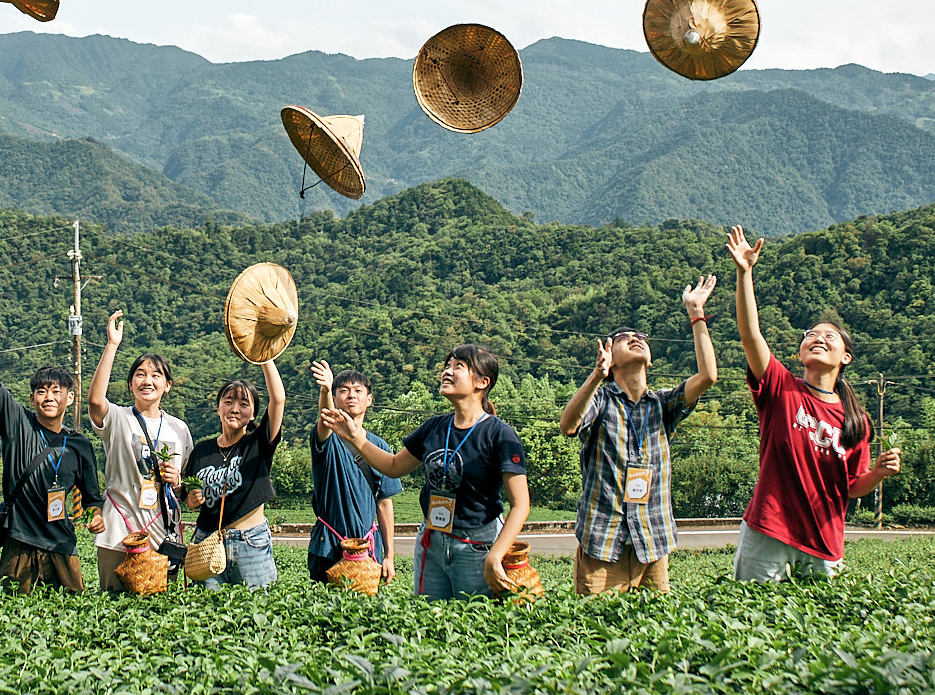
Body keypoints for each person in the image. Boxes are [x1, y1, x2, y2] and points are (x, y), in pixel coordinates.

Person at [725, 225, 901, 580]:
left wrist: (879, 473)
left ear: (846, 357)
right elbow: (750, 334)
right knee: (753, 622)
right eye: (811, 335)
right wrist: (745, 274)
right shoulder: (780, 387)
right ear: (801, 350)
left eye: (829, 336)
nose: (818, 338)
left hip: (824, 540)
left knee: (818, 628)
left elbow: (852, 485)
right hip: (769, 530)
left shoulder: (857, 420)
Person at [325, 344, 531, 601]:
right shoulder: (435, 427)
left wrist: (495, 555)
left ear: (482, 382)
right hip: (432, 540)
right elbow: (393, 466)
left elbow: (521, 504)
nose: (448, 371)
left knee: (473, 624)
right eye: (447, 365)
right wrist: (355, 439)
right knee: (430, 617)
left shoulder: (499, 435)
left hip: (477, 545)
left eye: (459, 367)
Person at [557, 277, 719, 596]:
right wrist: (596, 376)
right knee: (598, 635)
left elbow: (708, 376)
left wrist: (696, 313)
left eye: (641, 337)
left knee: (655, 637)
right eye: (624, 338)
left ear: (651, 358)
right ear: (610, 357)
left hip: (652, 541)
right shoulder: (601, 400)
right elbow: (569, 425)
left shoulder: (663, 404)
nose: (635, 338)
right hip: (603, 543)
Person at [0, 289, 103, 594]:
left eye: (57, 391)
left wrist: (98, 517)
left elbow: (94, 498)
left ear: (70, 398)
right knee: (16, 618)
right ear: (32, 398)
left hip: (61, 544)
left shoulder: (79, 444)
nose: (49, 397)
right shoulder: (18, 424)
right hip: (19, 543)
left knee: (69, 619)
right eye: (42, 391)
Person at [85, 310, 193, 593]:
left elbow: (187, 487)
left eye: (156, 376)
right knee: (112, 608)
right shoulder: (120, 419)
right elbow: (95, 401)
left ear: (167, 386)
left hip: (161, 534)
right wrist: (112, 345)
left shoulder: (179, 430)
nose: (147, 381)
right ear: (131, 383)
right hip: (118, 531)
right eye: (140, 375)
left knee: (158, 613)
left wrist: (177, 482)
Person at [182, 361, 287, 590]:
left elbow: (278, 400)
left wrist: (265, 357)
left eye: (243, 404)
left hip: (250, 542)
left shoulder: (258, 444)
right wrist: (191, 500)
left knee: (257, 612)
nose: (235, 409)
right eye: (228, 402)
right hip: (207, 542)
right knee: (207, 615)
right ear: (218, 408)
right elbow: (189, 497)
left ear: (253, 415)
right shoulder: (201, 451)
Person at [306, 361, 399, 585]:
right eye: (343, 391)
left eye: (358, 391)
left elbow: (384, 503)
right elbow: (326, 417)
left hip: (367, 548)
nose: (351, 396)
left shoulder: (380, 447)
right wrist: (325, 389)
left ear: (369, 399)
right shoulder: (327, 439)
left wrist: (389, 556)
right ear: (336, 399)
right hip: (328, 545)